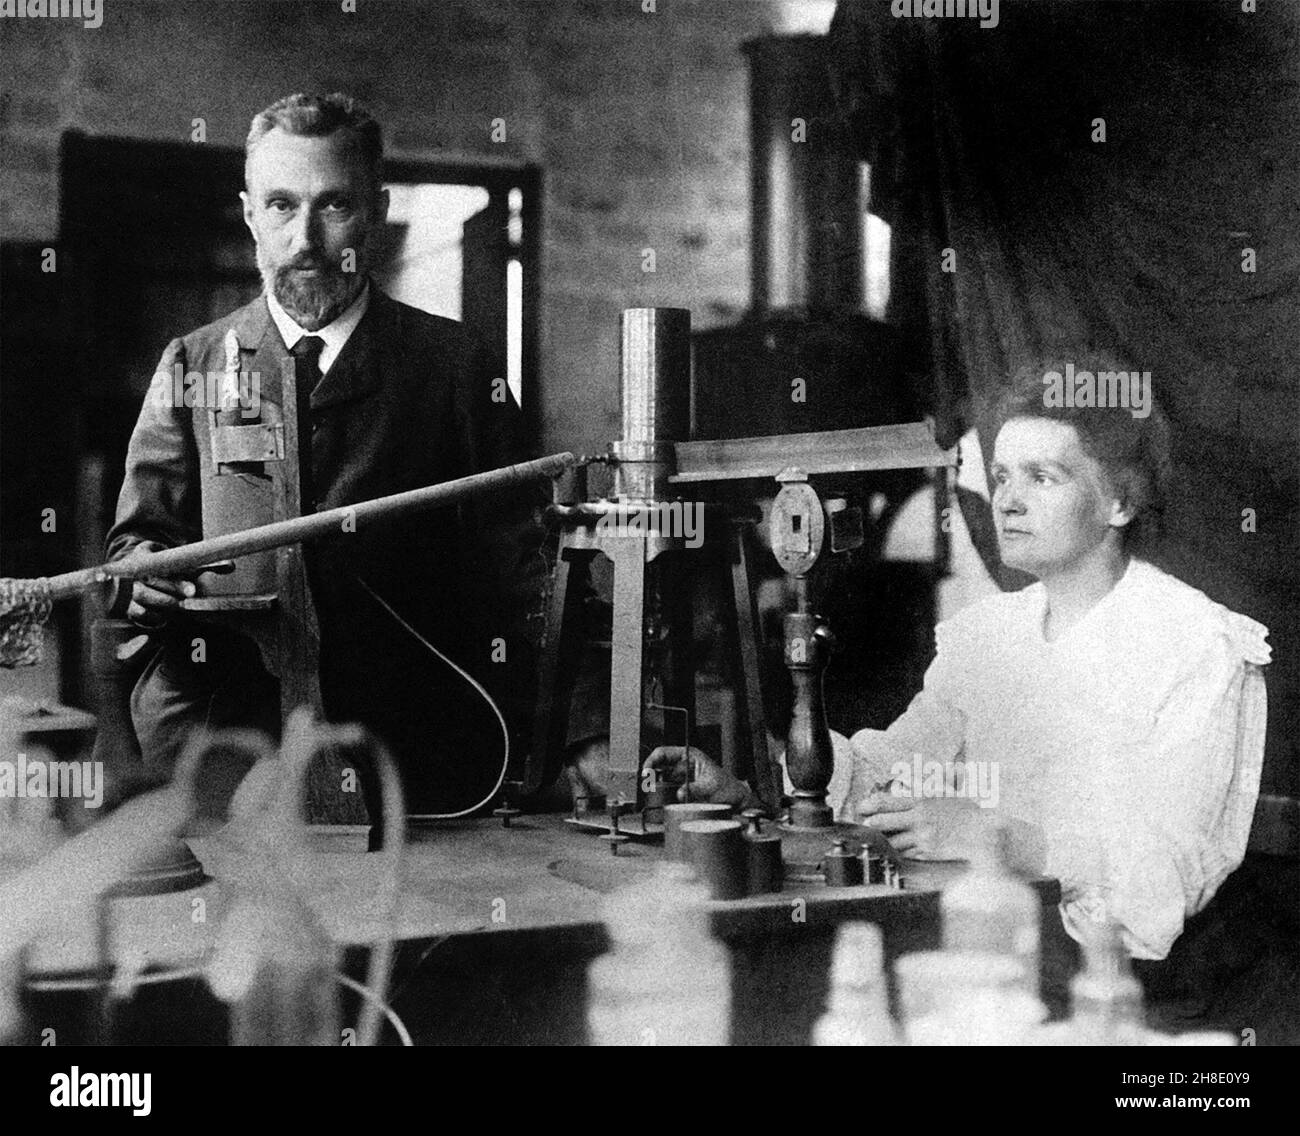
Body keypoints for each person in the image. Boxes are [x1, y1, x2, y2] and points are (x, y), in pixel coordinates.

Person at [644, 355, 1270, 961]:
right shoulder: (991, 634)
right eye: (1002, 476)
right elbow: (891, 773)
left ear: (1120, 503)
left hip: (1127, 986)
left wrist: (1001, 839)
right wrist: (751, 790)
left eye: (1042, 477)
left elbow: (1169, 876)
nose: (1008, 501)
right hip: (976, 942)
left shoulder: (1196, 644)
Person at [106, 92, 603, 818]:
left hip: (417, 769)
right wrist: (141, 581)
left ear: (375, 209)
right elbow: (135, 548)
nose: (305, 238)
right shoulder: (193, 363)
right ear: (250, 215)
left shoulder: (455, 367)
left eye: (333, 205)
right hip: (225, 767)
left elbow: (532, 573)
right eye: (280, 205)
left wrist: (588, 727)